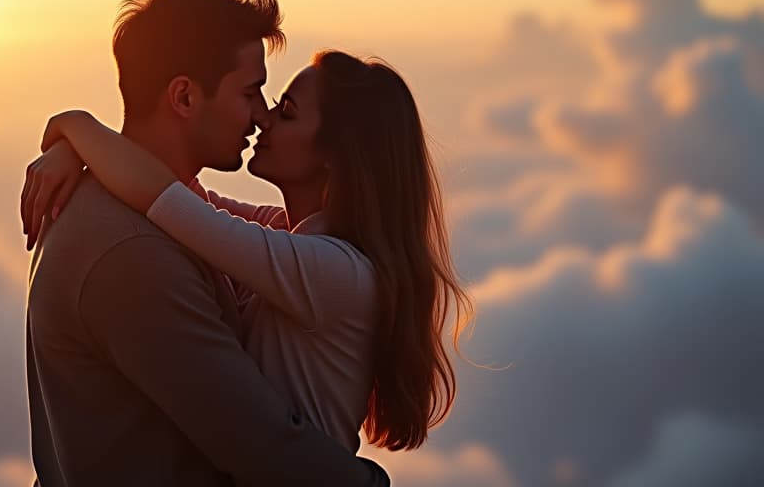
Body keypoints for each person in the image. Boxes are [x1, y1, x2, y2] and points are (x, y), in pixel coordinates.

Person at [22, 0, 390, 486]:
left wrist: (76, 135)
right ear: (185, 98)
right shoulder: (134, 254)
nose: (261, 115)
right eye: (251, 92)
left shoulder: (167, 215)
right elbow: (261, 444)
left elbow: (191, 207)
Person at [26, 48, 474, 456]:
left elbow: (166, 201)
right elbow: (180, 189)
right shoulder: (292, 236)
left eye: (288, 113)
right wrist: (73, 152)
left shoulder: (334, 271)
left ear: (334, 157)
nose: (265, 118)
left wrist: (74, 126)